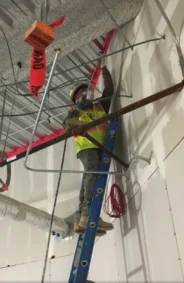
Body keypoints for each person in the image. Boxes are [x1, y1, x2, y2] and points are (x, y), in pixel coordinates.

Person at [63, 59, 114, 236]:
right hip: (87, 147)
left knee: (88, 179)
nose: (83, 95)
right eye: (79, 95)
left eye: (85, 92)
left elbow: (109, 91)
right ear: (74, 100)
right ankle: (88, 215)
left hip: (99, 146)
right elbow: (67, 125)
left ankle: (80, 219)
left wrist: (105, 70)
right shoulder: (75, 111)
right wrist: (75, 121)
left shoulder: (99, 105)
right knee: (92, 174)